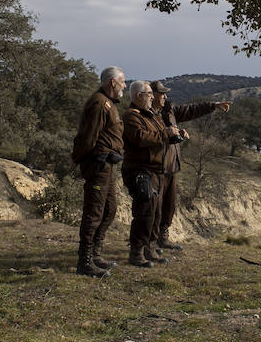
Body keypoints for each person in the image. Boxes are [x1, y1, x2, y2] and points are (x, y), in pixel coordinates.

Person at [150, 80, 230, 252]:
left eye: (165, 93)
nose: (165, 96)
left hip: (171, 166)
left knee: (169, 205)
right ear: (152, 94)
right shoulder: (147, 114)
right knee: (154, 207)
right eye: (162, 93)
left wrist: (213, 105)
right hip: (155, 167)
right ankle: (150, 242)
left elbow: (191, 110)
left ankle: (162, 238)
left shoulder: (168, 110)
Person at [70, 66, 126, 277]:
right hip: (97, 164)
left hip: (106, 164)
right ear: (112, 82)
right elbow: (88, 136)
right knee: (94, 212)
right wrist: (80, 160)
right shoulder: (99, 103)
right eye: (122, 81)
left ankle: (95, 254)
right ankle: (84, 262)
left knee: (109, 210)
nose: (124, 85)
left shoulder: (108, 103)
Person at [120, 80, 182, 267]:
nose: (152, 97)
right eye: (149, 94)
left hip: (156, 171)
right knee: (145, 212)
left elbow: (158, 136)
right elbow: (140, 138)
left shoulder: (151, 115)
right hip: (141, 170)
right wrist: (166, 134)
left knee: (155, 213)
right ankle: (137, 253)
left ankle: (150, 248)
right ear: (139, 96)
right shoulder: (132, 116)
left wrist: (172, 134)